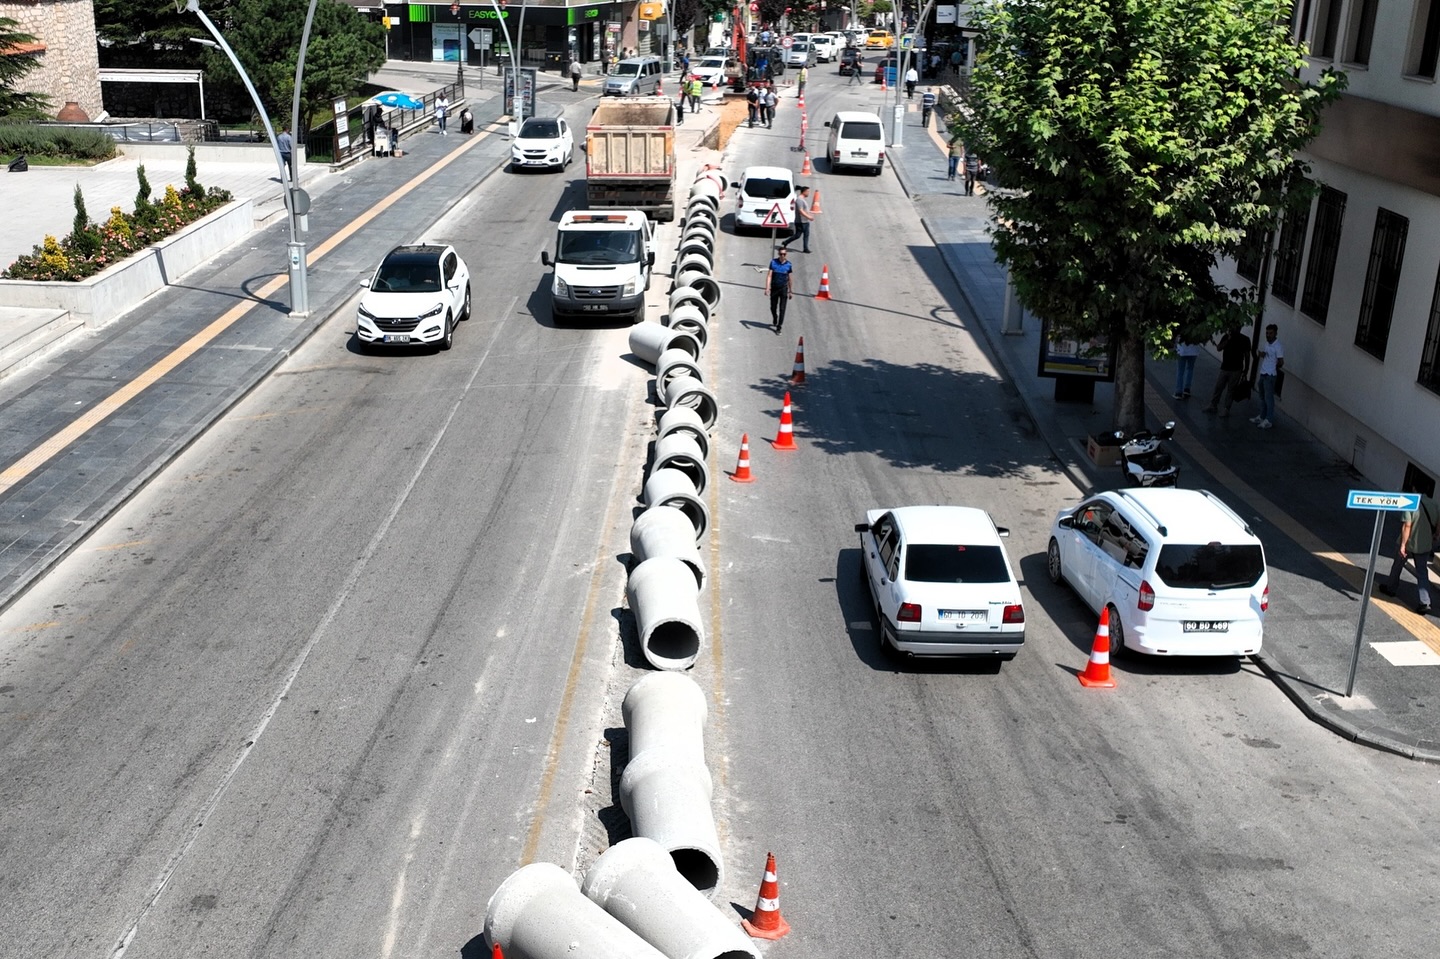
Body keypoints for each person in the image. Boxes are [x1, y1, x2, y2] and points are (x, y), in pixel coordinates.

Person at [1378, 483, 1438, 615]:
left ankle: (1391, 588)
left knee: (1398, 565)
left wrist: (1403, 545)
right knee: (1422, 572)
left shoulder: (1410, 502)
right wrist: (1435, 536)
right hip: (1424, 544)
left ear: (1415, 488)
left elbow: (1407, 526)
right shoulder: (1435, 504)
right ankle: (1425, 602)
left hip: (1409, 542)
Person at [1204, 325, 1250, 416]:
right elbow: (1219, 348)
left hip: (1236, 369)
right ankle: (1213, 404)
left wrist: (1246, 369)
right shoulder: (1226, 337)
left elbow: (1247, 354)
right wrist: (1228, 340)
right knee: (1218, 387)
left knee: (1231, 390)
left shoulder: (1245, 339)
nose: (1234, 329)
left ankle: (1226, 409)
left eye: (1236, 327)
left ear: (1240, 328)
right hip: (1225, 367)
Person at [1250, 322, 1284, 429]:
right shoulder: (1267, 344)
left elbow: (1281, 361)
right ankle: (1262, 416)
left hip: (1270, 375)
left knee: (1268, 398)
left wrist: (1274, 367)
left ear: (1275, 333)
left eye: (1271, 333)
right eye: (1267, 333)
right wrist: (1262, 354)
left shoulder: (1278, 346)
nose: (1268, 335)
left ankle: (1269, 419)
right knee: (1262, 396)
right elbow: (1265, 354)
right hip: (1263, 373)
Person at [765, 247, 793, 333]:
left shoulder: (789, 265)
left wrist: (790, 291)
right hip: (774, 288)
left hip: (783, 288)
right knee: (773, 307)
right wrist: (767, 288)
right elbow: (769, 275)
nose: (782, 256)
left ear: (786, 254)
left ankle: (779, 327)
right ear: (778, 254)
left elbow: (790, 278)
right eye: (781, 254)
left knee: (782, 308)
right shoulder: (773, 262)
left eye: (784, 254)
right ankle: (775, 317)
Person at [781, 185, 815, 254]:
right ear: (804, 192)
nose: (808, 193)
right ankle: (786, 242)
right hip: (801, 221)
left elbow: (804, 210)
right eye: (808, 191)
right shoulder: (799, 200)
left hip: (805, 221)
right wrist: (809, 217)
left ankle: (805, 248)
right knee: (797, 235)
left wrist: (809, 214)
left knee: (806, 235)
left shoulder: (802, 199)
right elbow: (801, 211)